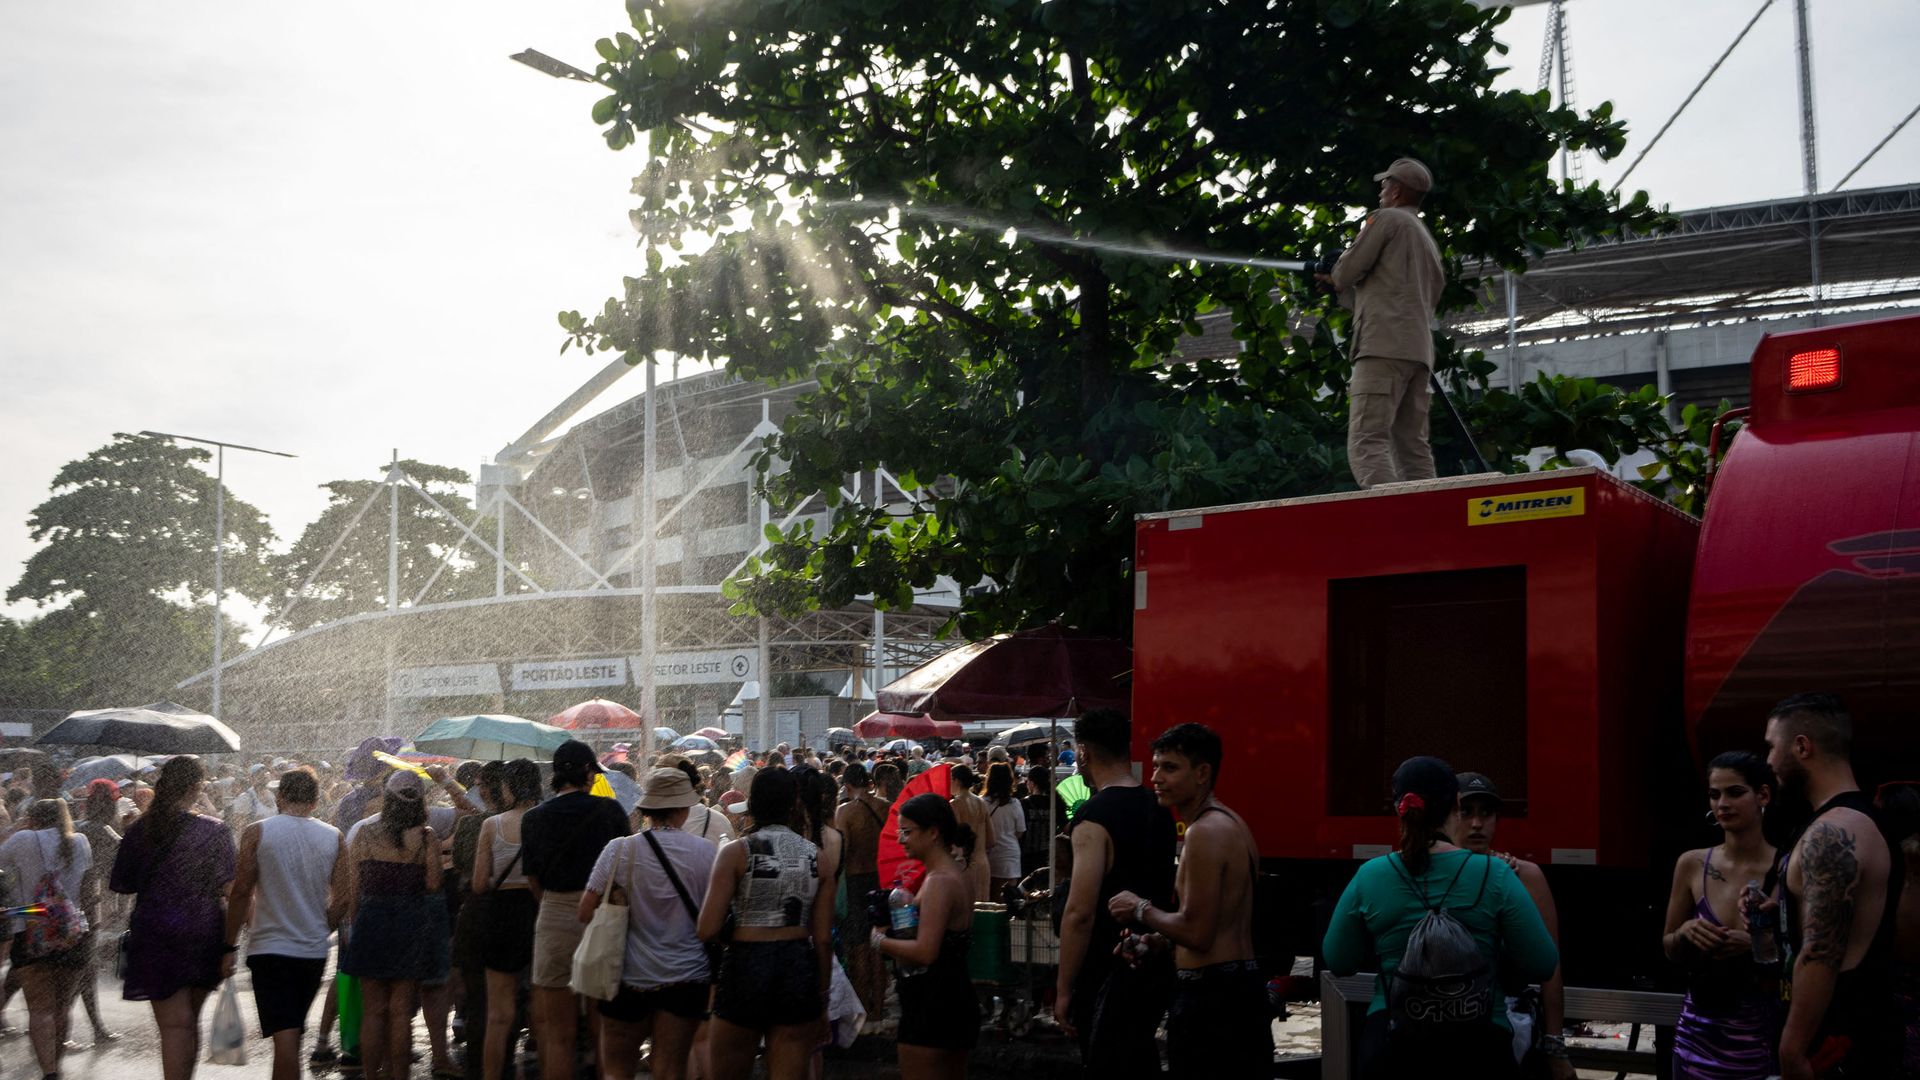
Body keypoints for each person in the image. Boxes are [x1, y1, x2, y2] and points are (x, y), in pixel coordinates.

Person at [1322, 756, 1558, 1080]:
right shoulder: (1496, 874)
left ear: (1398, 809)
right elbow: (1543, 963)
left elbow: (1338, 960)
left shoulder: (1371, 876)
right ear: (1457, 805)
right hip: (1480, 1046)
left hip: (1393, 1043)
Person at [1108, 723, 1269, 1076]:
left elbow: (1198, 934)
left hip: (1213, 1002)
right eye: (1155, 766)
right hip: (1240, 992)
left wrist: (1139, 908)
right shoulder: (1233, 823)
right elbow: (1214, 922)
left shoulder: (1203, 832)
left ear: (1202, 773)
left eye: (1170, 767)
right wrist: (1159, 941)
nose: (1156, 778)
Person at [1764, 692, 1901, 1079]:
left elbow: (1822, 951)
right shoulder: (1843, 822)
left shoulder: (1835, 830)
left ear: (1802, 746)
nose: (1768, 760)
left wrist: (1792, 1049)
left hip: (1837, 1048)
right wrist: (1782, 911)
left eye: (1772, 747)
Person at [1054, 707, 1176, 1079]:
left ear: (1084, 753)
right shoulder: (1159, 809)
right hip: (1151, 963)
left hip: (1105, 971)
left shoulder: (1093, 818)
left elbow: (1080, 912)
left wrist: (1062, 988)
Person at [696, 766, 836, 1080]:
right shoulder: (818, 858)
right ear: (794, 805)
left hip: (745, 962)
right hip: (797, 965)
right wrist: (823, 998)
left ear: (753, 805)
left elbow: (706, 929)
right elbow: (824, 939)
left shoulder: (736, 853)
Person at [1316, 156, 1446, 488]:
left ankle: (1395, 520)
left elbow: (1347, 271)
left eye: (1385, 185)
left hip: (1382, 350)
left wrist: (1336, 269)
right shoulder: (1425, 241)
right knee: (1412, 447)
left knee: (1366, 442)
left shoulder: (1386, 220)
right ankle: (1429, 519)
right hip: (1417, 353)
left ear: (1397, 191)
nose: (1381, 191)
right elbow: (1382, 298)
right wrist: (1336, 290)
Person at [581, 768, 714, 1080]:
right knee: (670, 1070)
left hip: (625, 978)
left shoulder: (619, 849)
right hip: (686, 977)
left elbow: (585, 911)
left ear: (646, 809)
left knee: (616, 1069)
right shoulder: (707, 853)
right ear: (684, 809)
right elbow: (716, 919)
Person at [109, 755, 237, 1080]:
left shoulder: (140, 830)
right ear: (197, 788)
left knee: (173, 1026)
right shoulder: (214, 831)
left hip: (155, 932)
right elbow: (231, 889)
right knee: (189, 1021)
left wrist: (130, 836)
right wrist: (232, 944)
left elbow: (123, 885)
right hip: (204, 931)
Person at [1658, 752, 1783, 1080]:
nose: (1722, 803)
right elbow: (1669, 946)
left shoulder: (1786, 868)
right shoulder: (1692, 864)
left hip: (1760, 1038)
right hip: (1696, 1033)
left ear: (1763, 795)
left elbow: (1808, 957)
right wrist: (1686, 932)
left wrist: (1754, 944)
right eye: (1715, 794)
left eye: (1735, 792)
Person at [223, 768, 348, 1080]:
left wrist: (228, 945)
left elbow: (240, 892)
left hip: (269, 948)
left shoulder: (257, 831)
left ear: (279, 797)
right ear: (316, 801)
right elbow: (345, 897)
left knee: (286, 1037)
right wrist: (322, 928)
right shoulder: (333, 836)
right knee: (291, 1034)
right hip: (313, 952)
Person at [1450, 772, 1576, 1079]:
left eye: (1486, 813)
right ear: (1448, 817)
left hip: (1507, 1029)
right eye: (1466, 812)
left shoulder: (1524, 876)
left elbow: (1551, 967)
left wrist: (1555, 1045)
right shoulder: (1428, 875)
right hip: (1440, 1030)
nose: (1477, 824)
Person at [519, 740, 630, 1080]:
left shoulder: (534, 818)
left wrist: (555, 905)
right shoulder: (610, 812)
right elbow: (624, 873)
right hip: (602, 915)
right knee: (603, 1027)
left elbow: (533, 879)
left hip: (553, 912)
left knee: (558, 1033)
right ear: (587, 772)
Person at [340, 770, 448, 1080]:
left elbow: (353, 887)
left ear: (387, 800)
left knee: (373, 1011)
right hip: (410, 923)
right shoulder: (426, 837)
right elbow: (433, 884)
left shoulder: (365, 835)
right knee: (401, 1012)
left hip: (372, 921)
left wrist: (353, 928)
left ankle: (372, 1076)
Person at [871, 793, 978, 1079]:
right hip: (956, 994)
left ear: (933, 833)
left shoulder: (939, 881)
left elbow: (926, 951)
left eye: (907, 832)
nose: (901, 839)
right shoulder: (959, 873)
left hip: (933, 1002)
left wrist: (880, 940)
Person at [0, 798, 93, 1080]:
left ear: (33, 817)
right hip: (73, 935)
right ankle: (58, 1063)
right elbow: (88, 892)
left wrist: (15, 827)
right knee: (62, 1006)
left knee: (40, 1010)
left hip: (31, 934)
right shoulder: (80, 842)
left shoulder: (23, 839)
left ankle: (49, 1072)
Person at [472, 759, 541, 1080]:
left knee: (499, 1014)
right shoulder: (545, 821)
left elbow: (478, 883)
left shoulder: (492, 825)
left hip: (499, 914)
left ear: (508, 786)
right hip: (538, 912)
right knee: (541, 1011)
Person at [834, 762, 891, 1022]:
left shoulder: (845, 811)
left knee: (856, 947)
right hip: (881, 881)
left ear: (846, 786)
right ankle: (878, 1008)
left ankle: (863, 1012)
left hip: (856, 883)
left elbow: (841, 853)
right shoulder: (885, 806)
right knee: (878, 946)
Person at [72, 779, 123, 1045]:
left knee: (83, 970)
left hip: (71, 905)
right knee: (82, 970)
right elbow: (124, 860)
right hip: (87, 908)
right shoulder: (103, 831)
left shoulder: (78, 827)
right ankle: (70, 1029)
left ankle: (96, 1027)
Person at [947, 765, 995, 905]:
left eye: (950, 779)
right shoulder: (981, 802)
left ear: (957, 780)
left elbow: (955, 839)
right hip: (983, 863)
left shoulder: (955, 804)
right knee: (982, 913)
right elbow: (991, 840)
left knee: (966, 913)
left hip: (965, 863)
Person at [983, 762, 1026, 903]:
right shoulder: (1015, 804)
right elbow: (1020, 831)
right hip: (1010, 854)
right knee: (1009, 897)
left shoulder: (982, 803)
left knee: (991, 897)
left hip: (988, 854)